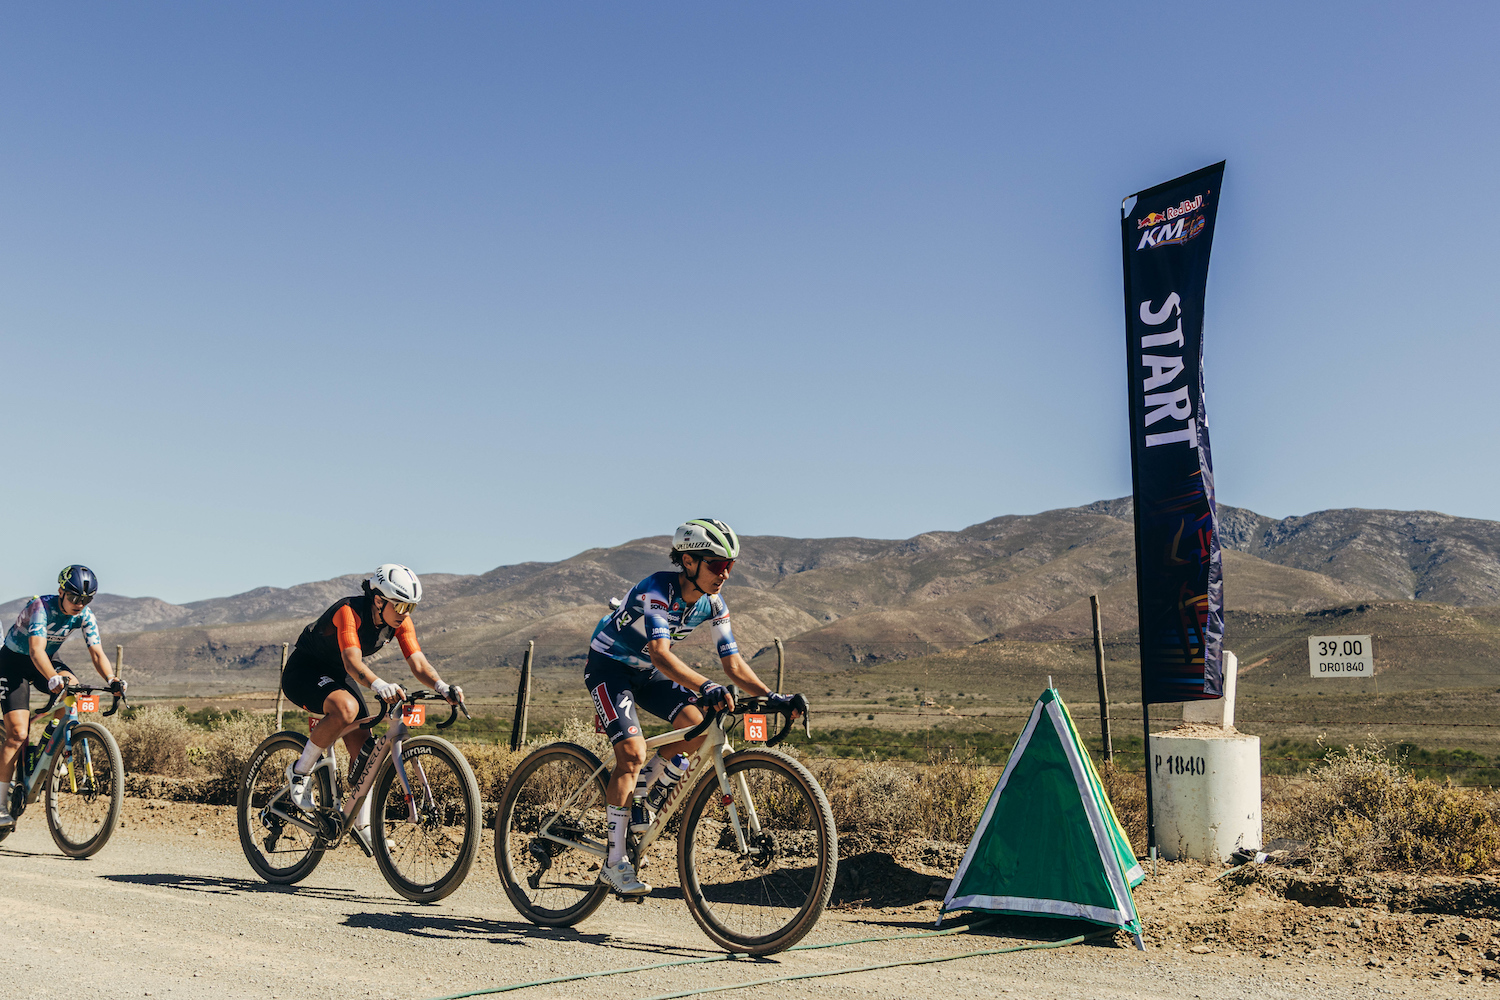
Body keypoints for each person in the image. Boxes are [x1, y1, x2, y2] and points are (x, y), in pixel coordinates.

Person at [585, 518, 798, 895]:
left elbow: (734, 665)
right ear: (688, 561)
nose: (725, 574)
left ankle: (644, 793)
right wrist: (707, 685)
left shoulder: (713, 603)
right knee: (631, 753)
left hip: (647, 672)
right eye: (717, 565)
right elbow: (660, 653)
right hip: (610, 666)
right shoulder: (657, 590)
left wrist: (772, 697)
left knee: (697, 729)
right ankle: (614, 862)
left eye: (730, 565)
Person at [278, 564, 462, 848]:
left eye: (411, 607)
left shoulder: (399, 621)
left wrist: (441, 686)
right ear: (378, 600)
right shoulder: (348, 611)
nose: (405, 613)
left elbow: (418, 663)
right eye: (400, 605)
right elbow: (353, 663)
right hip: (304, 671)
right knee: (346, 709)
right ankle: (300, 771)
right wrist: (379, 685)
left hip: (338, 674)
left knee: (366, 755)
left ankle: (361, 825)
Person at [0, 565, 126, 828]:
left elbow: (97, 652)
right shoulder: (40, 607)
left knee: (74, 689)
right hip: (13, 663)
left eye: (86, 599)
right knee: (18, 734)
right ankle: (0, 805)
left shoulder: (85, 615)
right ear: (61, 592)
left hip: (47, 659)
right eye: (74, 597)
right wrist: (52, 677)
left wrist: (111, 679)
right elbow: (36, 651)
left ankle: (52, 742)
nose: (79, 604)